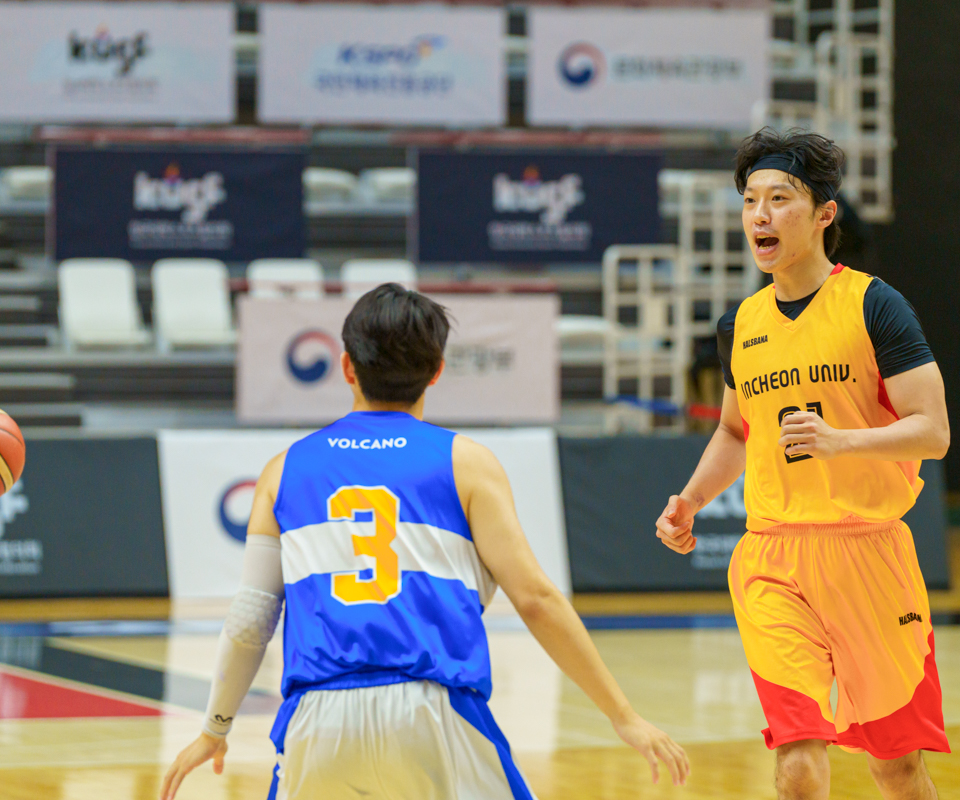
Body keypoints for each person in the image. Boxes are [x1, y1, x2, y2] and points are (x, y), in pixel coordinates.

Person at [161, 285, 689, 800]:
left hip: (318, 720)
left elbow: (251, 619)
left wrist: (215, 728)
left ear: (347, 367)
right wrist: (623, 715)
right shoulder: (467, 464)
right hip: (432, 712)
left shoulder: (282, 471)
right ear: (436, 370)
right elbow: (536, 599)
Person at [655, 128, 951, 800]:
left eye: (779, 198)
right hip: (773, 557)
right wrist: (691, 498)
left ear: (824, 214)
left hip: (869, 555)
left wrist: (842, 442)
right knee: (797, 764)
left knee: (896, 769)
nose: (760, 215)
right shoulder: (740, 325)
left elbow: (933, 432)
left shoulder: (875, 305)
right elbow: (735, 431)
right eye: (750, 201)